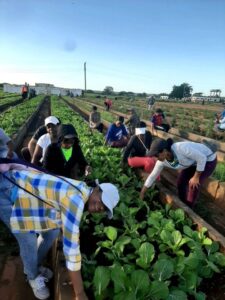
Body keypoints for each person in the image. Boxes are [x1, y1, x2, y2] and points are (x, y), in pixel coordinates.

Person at [0, 159, 120, 300]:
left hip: (25, 193)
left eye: (105, 209)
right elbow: (71, 251)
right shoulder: (76, 200)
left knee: (52, 232)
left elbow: (62, 212)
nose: (100, 207)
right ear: (97, 189)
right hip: (8, 190)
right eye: (102, 201)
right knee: (28, 239)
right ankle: (31, 276)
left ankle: (34, 266)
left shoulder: (82, 188)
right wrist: (80, 293)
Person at [140, 138, 217, 208]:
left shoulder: (180, 148)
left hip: (208, 160)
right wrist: (142, 193)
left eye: (156, 155)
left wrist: (196, 177)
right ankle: (183, 203)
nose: (155, 158)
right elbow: (153, 176)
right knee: (181, 182)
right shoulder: (161, 161)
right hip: (193, 162)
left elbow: (202, 158)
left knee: (193, 185)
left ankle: (190, 208)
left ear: (164, 151)